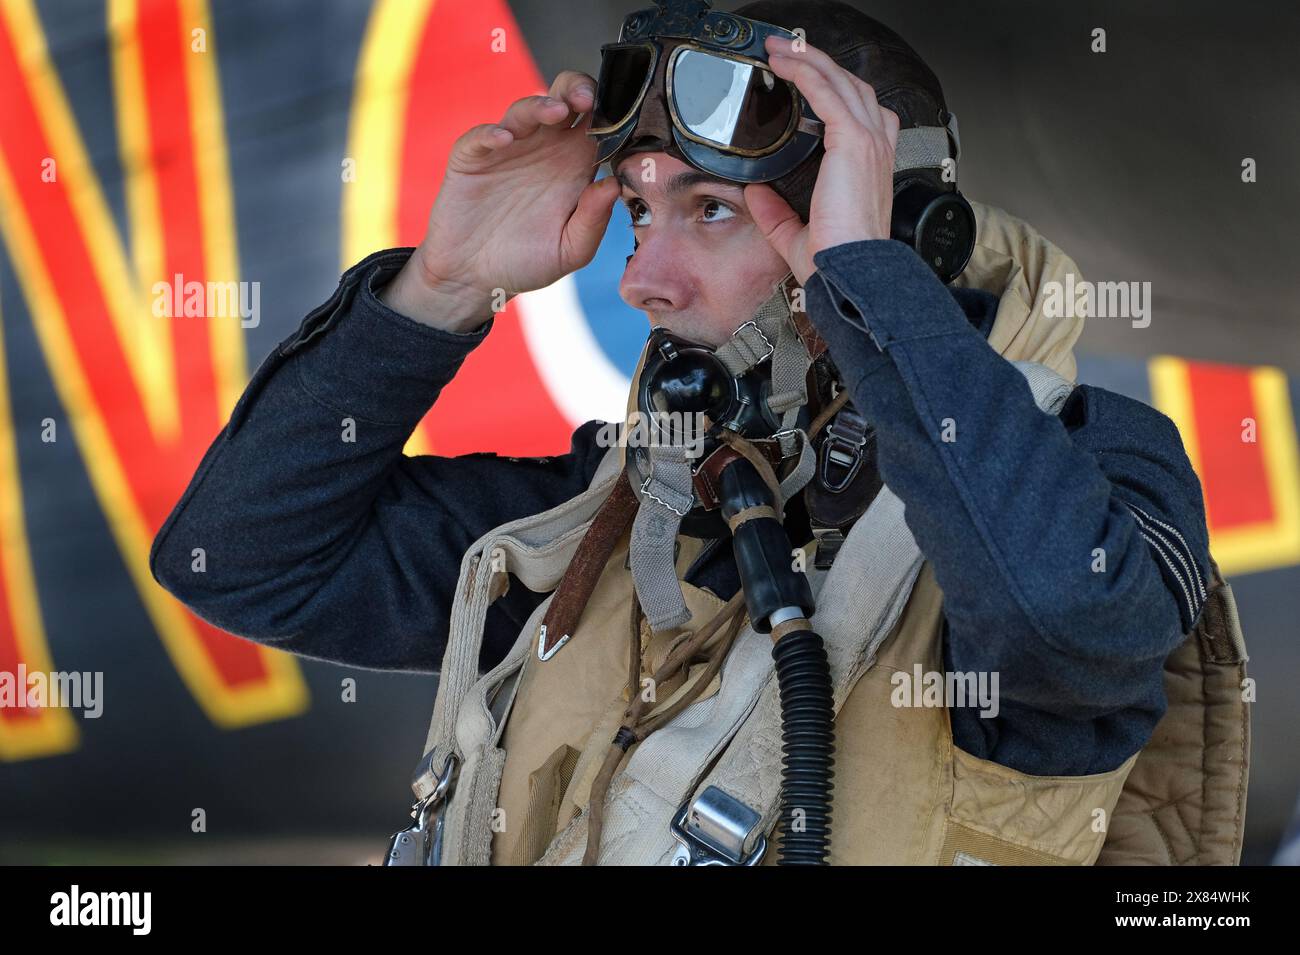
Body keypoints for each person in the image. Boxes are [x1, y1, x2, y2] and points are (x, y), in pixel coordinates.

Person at [152, 0, 1225, 865]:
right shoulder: (626, 509)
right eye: (637, 213)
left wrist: (866, 293)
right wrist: (441, 286)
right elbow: (245, 562)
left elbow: (1061, 624)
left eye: (711, 210)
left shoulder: (1100, 474)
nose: (639, 281)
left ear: (899, 233)